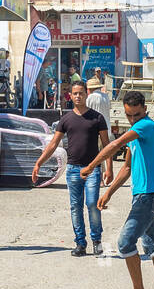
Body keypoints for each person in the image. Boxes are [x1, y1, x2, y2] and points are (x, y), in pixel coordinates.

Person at [82, 91, 154, 289]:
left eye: (136, 114)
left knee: (125, 242)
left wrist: (92, 165)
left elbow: (115, 145)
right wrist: (109, 193)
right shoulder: (137, 134)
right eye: (129, 116)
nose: (132, 119)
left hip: (149, 196)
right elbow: (126, 169)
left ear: (144, 109)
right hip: (142, 195)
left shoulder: (146, 126)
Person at [33, 80, 113, 256]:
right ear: (70, 95)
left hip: (92, 170)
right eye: (75, 93)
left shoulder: (97, 118)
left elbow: (107, 145)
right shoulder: (66, 119)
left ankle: (97, 241)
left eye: (81, 93)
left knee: (92, 204)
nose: (78, 96)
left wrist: (109, 168)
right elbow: (54, 143)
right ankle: (80, 243)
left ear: (86, 94)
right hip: (73, 170)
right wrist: (39, 162)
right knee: (75, 206)